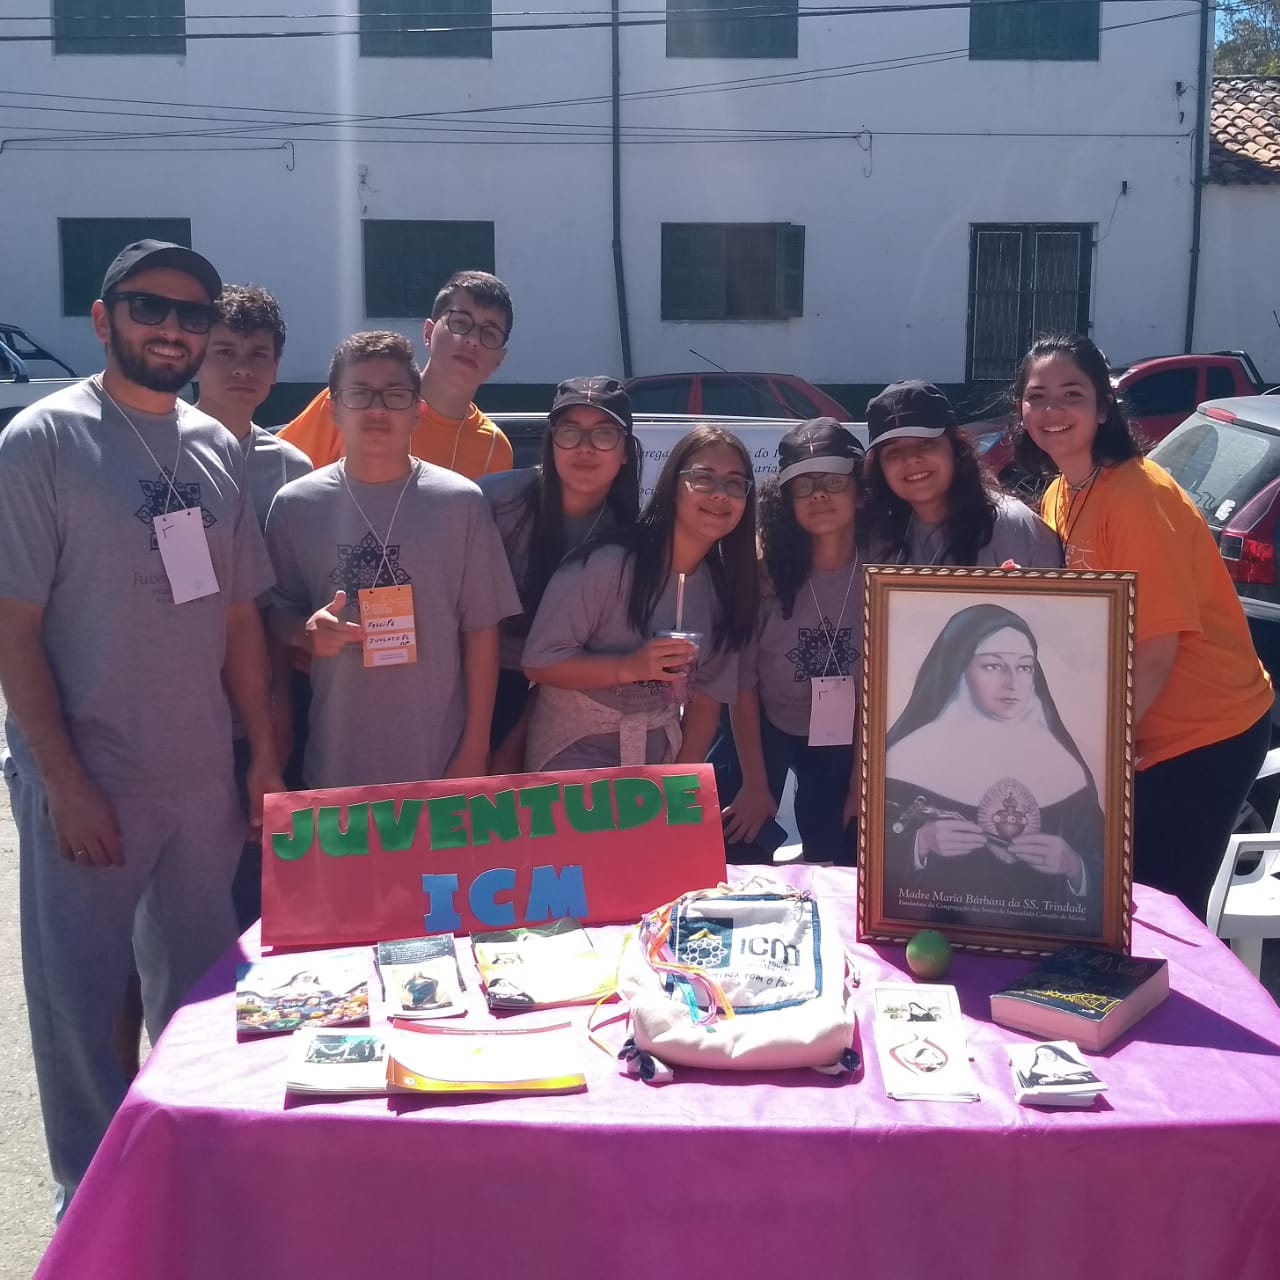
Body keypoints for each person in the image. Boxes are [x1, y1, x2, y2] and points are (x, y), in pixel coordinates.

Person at [0, 239, 279, 1216]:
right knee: (80, 1002)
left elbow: (238, 618)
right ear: (103, 317)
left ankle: (186, 1168)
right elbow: (13, 627)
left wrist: (261, 753)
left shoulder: (213, 447)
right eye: (148, 307)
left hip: (200, 778)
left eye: (191, 315)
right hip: (91, 780)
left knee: (200, 994)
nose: (171, 328)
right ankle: (91, 1196)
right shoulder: (41, 440)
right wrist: (64, 782)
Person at [1011, 333, 1273, 919]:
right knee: (1116, 900)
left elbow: (1155, 649)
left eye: (1072, 394)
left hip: (1205, 734)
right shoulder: (1060, 494)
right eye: (1038, 396)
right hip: (1140, 733)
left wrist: (1102, 754)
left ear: (1103, 408)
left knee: (1162, 909)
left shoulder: (1137, 497)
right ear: (1021, 409)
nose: (1053, 410)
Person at [265, 331, 520, 789]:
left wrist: (475, 747)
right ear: (333, 409)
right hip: (335, 762)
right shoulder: (295, 505)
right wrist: (304, 631)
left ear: (418, 410)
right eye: (359, 394)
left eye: (395, 395)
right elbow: (275, 613)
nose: (377, 410)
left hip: (439, 758)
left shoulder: (461, 504)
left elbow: (482, 629)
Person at [522, 425, 758, 771]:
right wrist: (629, 666)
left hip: (657, 758)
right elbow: (539, 661)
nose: (720, 494)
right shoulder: (606, 565)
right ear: (672, 488)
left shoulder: (725, 589)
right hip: (572, 751)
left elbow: (707, 698)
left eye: (734, 483)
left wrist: (681, 780)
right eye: (703, 478)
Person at [196, 284, 312, 929]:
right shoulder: (158, 453)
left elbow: (294, 594)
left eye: (258, 354)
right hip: (183, 708)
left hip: (267, 704)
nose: (242, 368)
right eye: (225, 352)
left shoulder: (291, 468)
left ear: (276, 366)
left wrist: (280, 705)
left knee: (257, 884)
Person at [882, 603, 1103, 936]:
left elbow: (1102, 865)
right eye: (993, 666)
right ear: (959, 668)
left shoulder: (1064, 766)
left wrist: (1075, 866)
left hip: (1040, 942)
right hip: (938, 934)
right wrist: (920, 843)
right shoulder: (907, 758)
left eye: (1024, 667)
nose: (1012, 683)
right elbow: (876, 860)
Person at [713, 419, 863, 866]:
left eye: (833, 481)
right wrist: (755, 786)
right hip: (763, 722)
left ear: (860, 491)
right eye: (803, 485)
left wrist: (862, 782)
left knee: (843, 853)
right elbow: (742, 684)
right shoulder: (764, 574)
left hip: (848, 734)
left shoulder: (887, 566)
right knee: (733, 841)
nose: (818, 495)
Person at [479, 376, 641, 772]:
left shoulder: (628, 537)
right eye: (570, 432)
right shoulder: (491, 503)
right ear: (551, 442)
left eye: (604, 434)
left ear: (625, 452)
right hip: (476, 682)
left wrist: (515, 742)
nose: (585, 448)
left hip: (564, 695)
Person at [279, 269, 513, 480]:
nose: (472, 340)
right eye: (460, 323)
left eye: (489, 333)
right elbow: (273, 473)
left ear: (499, 360)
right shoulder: (352, 401)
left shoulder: (494, 449)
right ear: (428, 333)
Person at [862, 380, 1062, 569]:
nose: (911, 458)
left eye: (925, 443)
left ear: (956, 448)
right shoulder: (879, 539)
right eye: (894, 452)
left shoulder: (1012, 527)